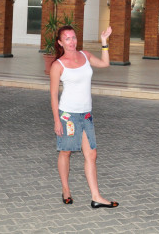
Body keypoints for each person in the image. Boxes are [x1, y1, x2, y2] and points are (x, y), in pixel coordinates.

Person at [49, 25, 119, 209]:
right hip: (68, 116)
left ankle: (96, 197)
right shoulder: (58, 65)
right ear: (60, 42)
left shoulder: (85, 55)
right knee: (66, 152)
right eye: (67, 38)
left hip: (86, 114)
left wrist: (104, 42)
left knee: (92, 154)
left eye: (73, 37)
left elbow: (105, 63)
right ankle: (66, 189)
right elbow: (53, 95)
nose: (72, 41)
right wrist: (57, 120)